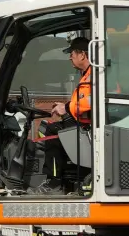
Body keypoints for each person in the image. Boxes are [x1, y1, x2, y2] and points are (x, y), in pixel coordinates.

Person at [33, 35, 93, 193]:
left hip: (89, 126)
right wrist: (65, 107)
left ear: (82, 54)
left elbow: (92, 101)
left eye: (72, 53)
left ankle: (54, 182)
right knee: (47, 127)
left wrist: (66, 109)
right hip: (84, 122)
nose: (70, 57)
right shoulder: (87, 75)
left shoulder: (95, 75)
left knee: (51, 131)